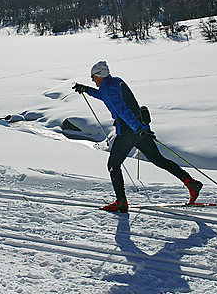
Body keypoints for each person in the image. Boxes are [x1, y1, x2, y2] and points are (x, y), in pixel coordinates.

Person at [74, 60, 203, 213]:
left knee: (113, 165)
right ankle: (191, 183)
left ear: (99, 75)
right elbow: (104, 96)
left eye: (92, 77)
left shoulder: (107, 89)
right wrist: (86, 89)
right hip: (140, 129)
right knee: (159, 160)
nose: (92, 80)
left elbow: (123, 110)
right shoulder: (114, 82)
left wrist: (136, 129)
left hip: (129, 132)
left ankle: (121, 202)